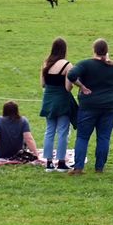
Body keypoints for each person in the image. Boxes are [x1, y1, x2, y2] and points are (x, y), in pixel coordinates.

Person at [68, 39, 113, 174]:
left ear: (94, 50)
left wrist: (82, 86)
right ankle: (99, 167)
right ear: (106, 51)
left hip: (89, 105)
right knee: (104, 137)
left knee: (83, 137)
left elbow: (71, 74)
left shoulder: (86, 64)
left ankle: (78, 167)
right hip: (110, 104)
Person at [39, 37, 75, 171]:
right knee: (62, 132)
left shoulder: (45, 63)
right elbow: (68, 88)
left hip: (48, 99)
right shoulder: (67, 65)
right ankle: (60, 162)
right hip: (62, 100)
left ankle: (48, 162)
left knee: (49, 131)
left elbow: (43, 84)